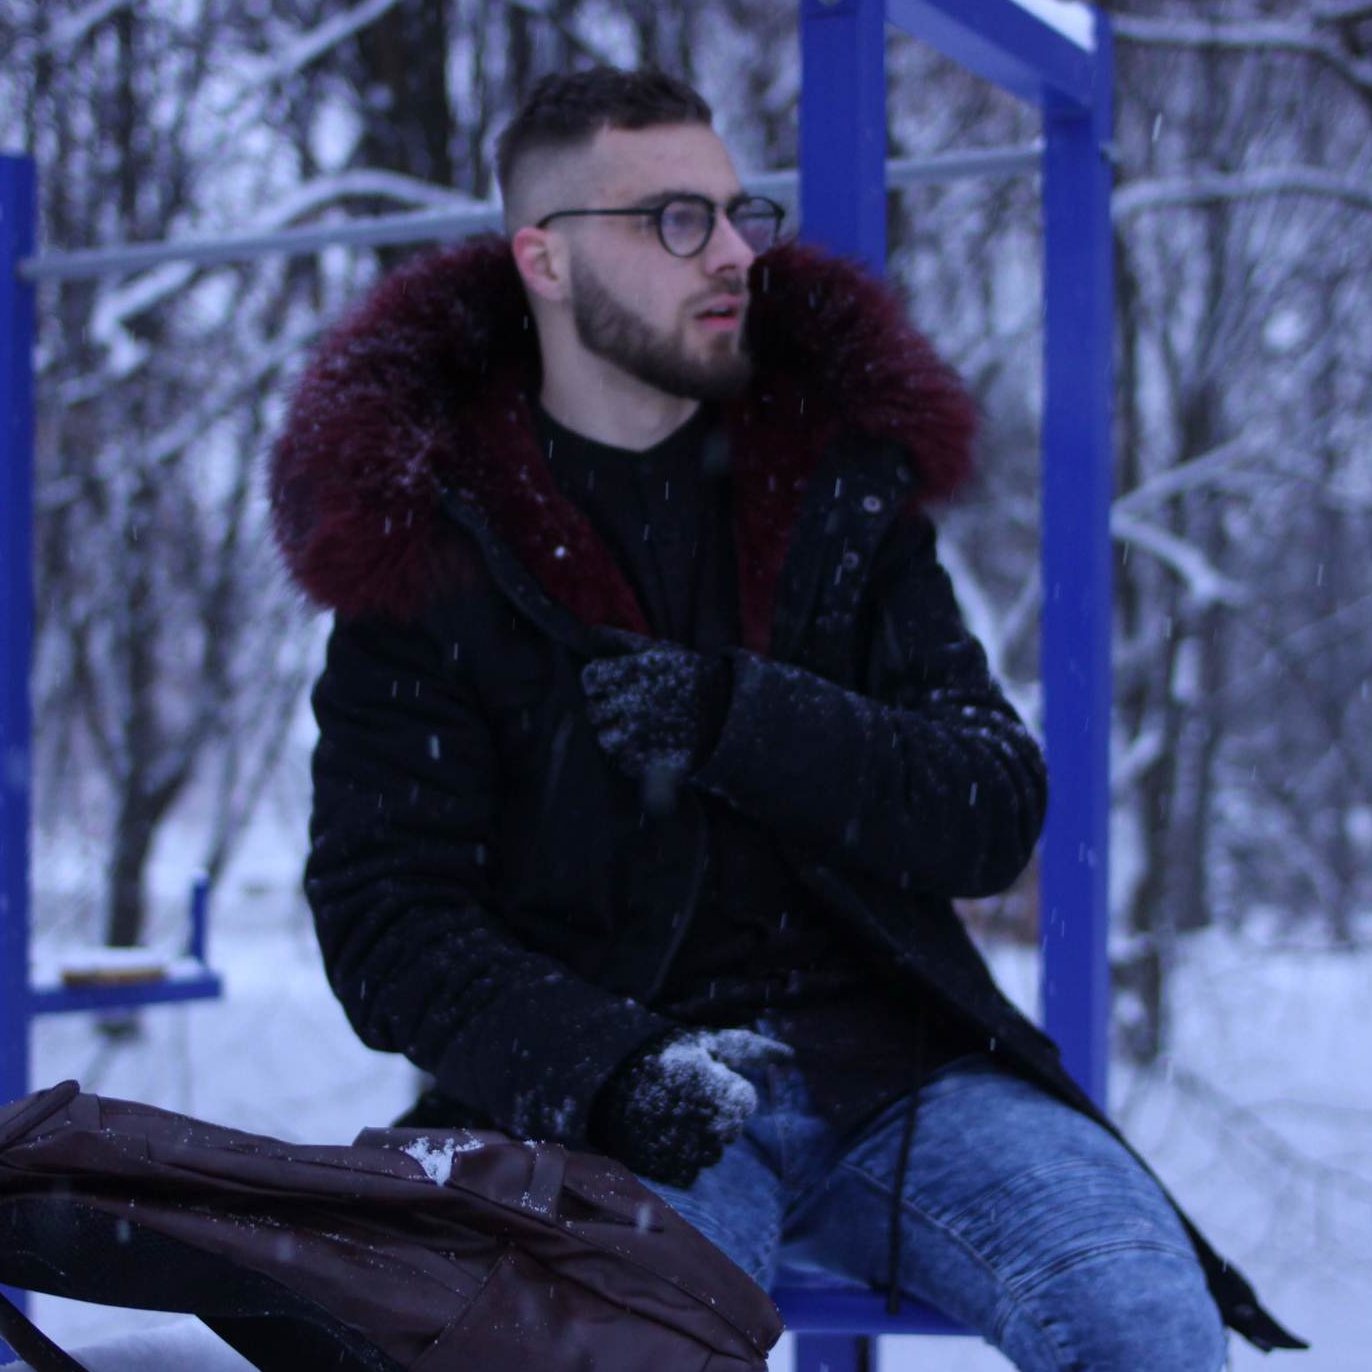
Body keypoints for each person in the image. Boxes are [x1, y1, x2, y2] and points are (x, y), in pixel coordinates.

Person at [270, 65, 1302, 1370]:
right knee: (627, 1361)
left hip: (907, 1075)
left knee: (1148, 1332)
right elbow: (385, 918)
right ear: (544, 259)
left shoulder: (833, 483)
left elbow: (989, 805)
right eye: (675, 220)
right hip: (620, 1106)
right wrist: (611, 1068)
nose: (733, 253)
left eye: (739, 211)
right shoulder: (433, 537)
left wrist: (744, 721)